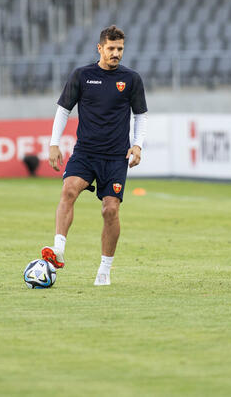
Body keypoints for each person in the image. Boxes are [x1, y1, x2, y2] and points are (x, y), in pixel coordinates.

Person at [41, 25, 147, 286]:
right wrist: (54, 144)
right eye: (111, 48)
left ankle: (104, 270)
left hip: (115, 157)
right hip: (85, 152)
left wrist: (137, 145)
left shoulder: (131, 79)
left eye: (120, 49)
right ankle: (58, 250)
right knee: (68, 191)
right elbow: (63, 109)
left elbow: (140, 115)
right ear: (100, 48)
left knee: (110, 210)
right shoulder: (82, 75)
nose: (116, 53)